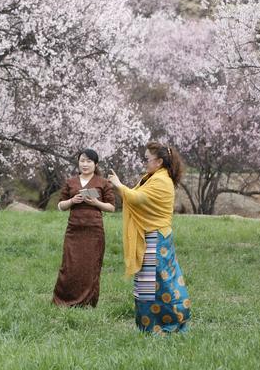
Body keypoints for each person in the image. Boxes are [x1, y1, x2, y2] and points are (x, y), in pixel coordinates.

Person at [108, 142, 191, 334]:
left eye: (147, 159)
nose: (145, 162)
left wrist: (119, 185)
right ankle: (149, 327)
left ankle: (170, 324)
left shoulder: (161, 181)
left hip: (156, 237)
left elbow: (138, 199)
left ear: (159, 161)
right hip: (151, 236)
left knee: (159, 284)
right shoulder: (153, 177)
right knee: (147, 284)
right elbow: (138, 196)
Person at [53, 149, 115, 307]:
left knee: (90, 266)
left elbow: (112, 207)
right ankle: (64, 301)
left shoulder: (103, 183)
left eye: (89, 161)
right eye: (82, 161)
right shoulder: (70, 182)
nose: (85, 164)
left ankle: (87, 302)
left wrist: (96, 203)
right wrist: (73, 200)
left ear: (96, 164)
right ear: (78, 163)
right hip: (74, 229)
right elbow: (60, 206)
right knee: (69, 265)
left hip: (94, 231)